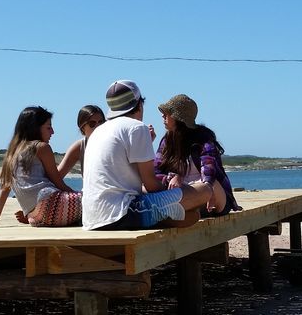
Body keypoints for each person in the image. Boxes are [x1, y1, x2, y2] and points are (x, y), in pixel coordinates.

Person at [83, 80, 212, 230]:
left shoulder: (99, 131)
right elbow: (151, 184)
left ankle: (163, 215)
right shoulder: (136, 127)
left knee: (191, 217)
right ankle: (163, 214)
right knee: (204, 191)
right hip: (123, 213)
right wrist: (177, 192)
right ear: (139, 104)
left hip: (92, 218)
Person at [0, 106, 81, 229]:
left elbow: (5, 188)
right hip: (52, 203)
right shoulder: (41, 147)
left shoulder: (12, 153)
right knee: (94, 200)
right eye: (48, 127)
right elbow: (58, 183)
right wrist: (79, 196)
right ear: (35, 128)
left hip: (36, 217)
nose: (52, 132)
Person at [153, 94, 240, 217]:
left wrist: (204, 187)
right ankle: (182, 211)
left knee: (210, 185)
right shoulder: (167, 141)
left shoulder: (203, 139)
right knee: (145, 187)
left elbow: (209, 169)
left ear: (179, 118)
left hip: (208, 194)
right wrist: (172, 177)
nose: (163, 115)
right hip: (182, 192)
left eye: (167, 112)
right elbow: (157, 171)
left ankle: (175, 211)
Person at [56, 104, 105, 177]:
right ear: (82, 127)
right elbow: (57, 176)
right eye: (92, 123)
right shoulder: (80, 147)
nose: (98, 126)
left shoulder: (115, 142)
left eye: (101, 122)